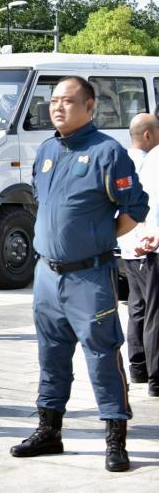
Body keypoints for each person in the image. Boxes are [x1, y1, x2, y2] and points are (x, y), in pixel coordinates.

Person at [9, 77, 148, 473]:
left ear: (89, 107)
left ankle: (115, 438)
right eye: (54, 100)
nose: (57, 107)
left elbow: (135, 207)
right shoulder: (47, 150)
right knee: (51, 356)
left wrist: (99, 236)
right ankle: (49, 430)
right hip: (47, 276)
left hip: (90, 277)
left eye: (68, 101)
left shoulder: (107, 152)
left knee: (102, 356)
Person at [118, 114, 159, 387]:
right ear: (148, 134)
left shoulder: (128, 160)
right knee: (152, 311)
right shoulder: (149, 159)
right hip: (148, 244)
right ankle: (154, 376)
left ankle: (139, 368)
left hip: (132, 244)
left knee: (138, 307)